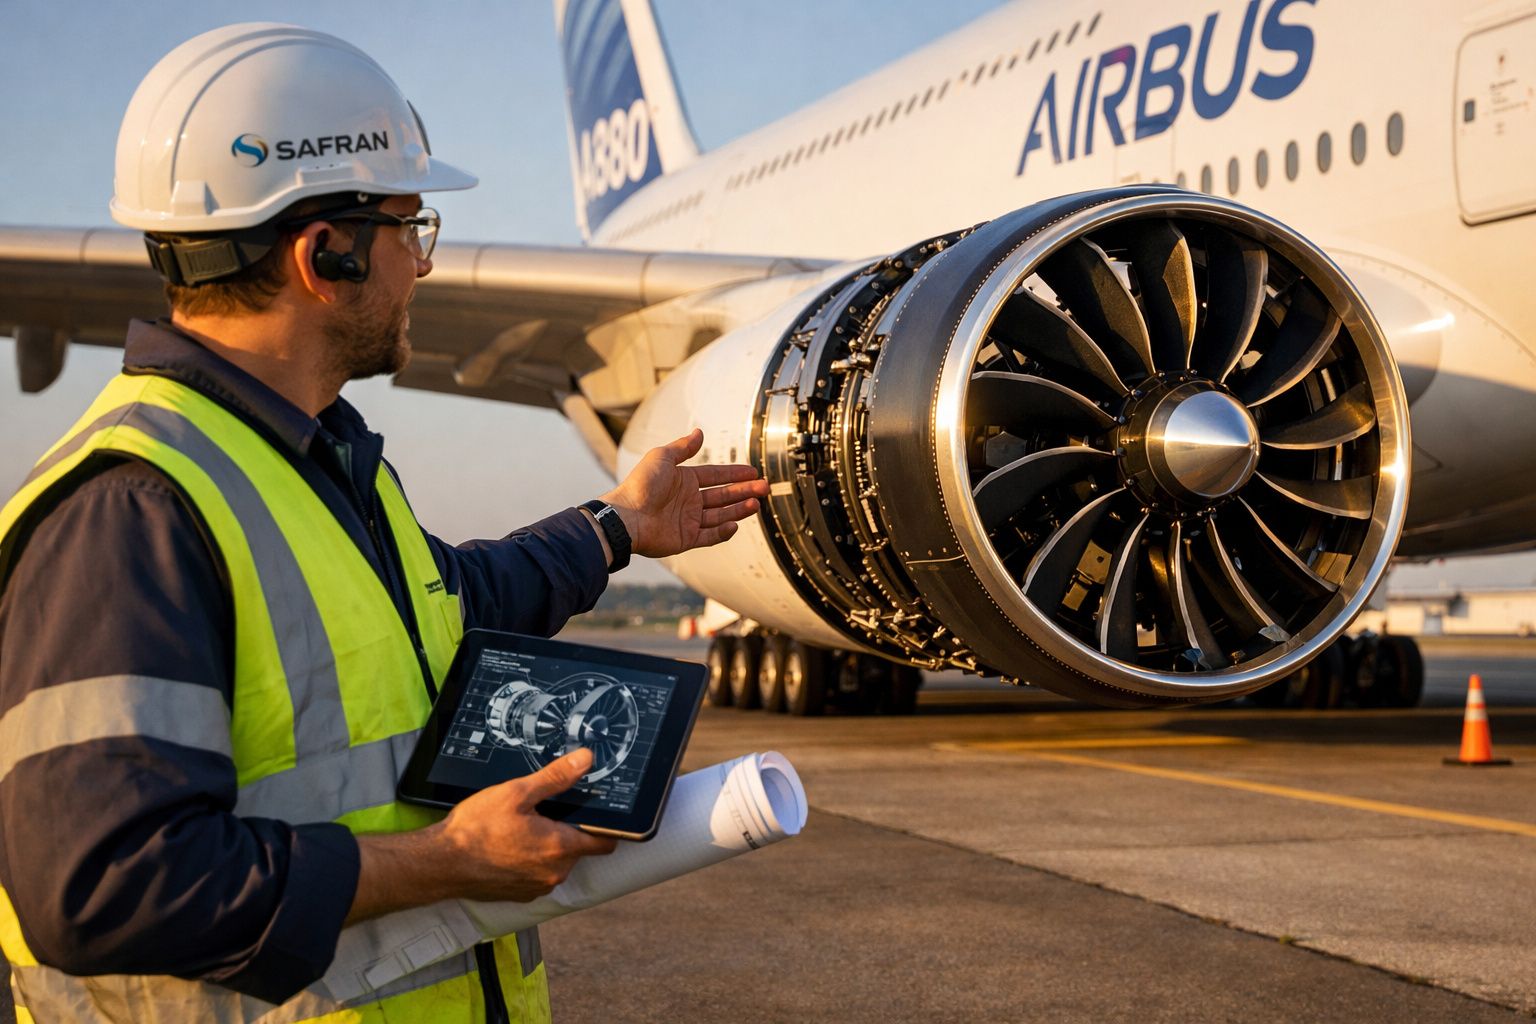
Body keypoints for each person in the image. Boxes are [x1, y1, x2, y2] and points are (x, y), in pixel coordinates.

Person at [0, 22, 768, 1024]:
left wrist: (615, 527)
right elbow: (106, 885)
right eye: (413, 229)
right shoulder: (132, 511)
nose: (424, 265)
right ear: (327, 255)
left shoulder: (306, 458)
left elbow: (445, 600)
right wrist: (447, 859)